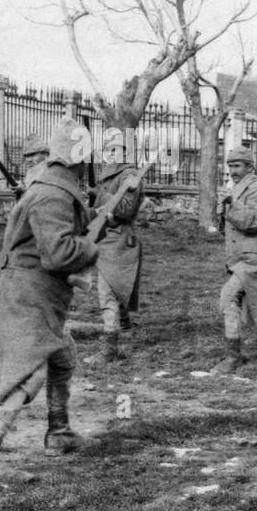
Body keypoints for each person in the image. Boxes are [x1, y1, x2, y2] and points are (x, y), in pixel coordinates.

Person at [0, 120, 98, 484]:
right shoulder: (53, 194)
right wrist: (91, 247)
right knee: (28, 371)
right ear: (82, 157)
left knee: (62, 357)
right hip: (29, 294)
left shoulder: (48, 186)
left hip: (33, 293)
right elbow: (58, 253)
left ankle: (59, 432)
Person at [213, 144, 257, 372]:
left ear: (250, 166)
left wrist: (231, 206)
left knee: (228, 297)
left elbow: (252, 221)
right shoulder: (237, 189)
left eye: (238, 165)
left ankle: (233, 357)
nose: (233, 170)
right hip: (242, 258)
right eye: (230, 165)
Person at [89, 127, 144, 362]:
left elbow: (125, 208)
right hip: (105, 237)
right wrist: (96, 194)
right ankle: (126, 332)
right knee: (114, 289)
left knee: (107, 292)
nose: (111, 154)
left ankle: (109, 350)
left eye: (116, 150)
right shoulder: (107, 175)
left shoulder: (130, 175)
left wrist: (102, 200)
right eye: (107, 150)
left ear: (124, 151)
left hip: (120, 239)